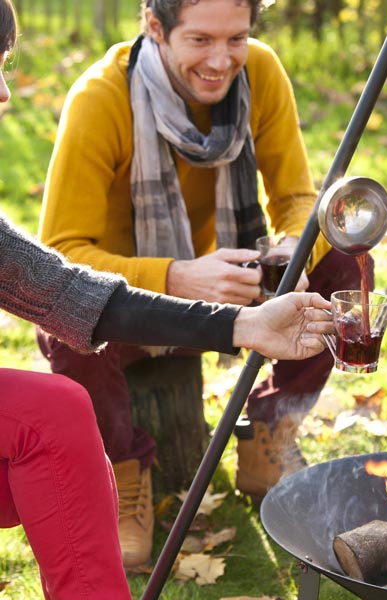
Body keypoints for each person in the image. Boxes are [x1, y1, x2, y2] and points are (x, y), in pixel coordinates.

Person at [0, 3, 334, 596]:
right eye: (201, 38)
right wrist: (177, 276)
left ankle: (269, 431)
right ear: (155, 26)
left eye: (237, 38)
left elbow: (57, 288)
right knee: (59, 375)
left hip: (223, 273)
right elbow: (65, 258)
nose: (221, 58)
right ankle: (124, 470)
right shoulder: (101, 98)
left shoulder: (261, 74)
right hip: (142, 280)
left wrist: (275, 275)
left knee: (344, 255)